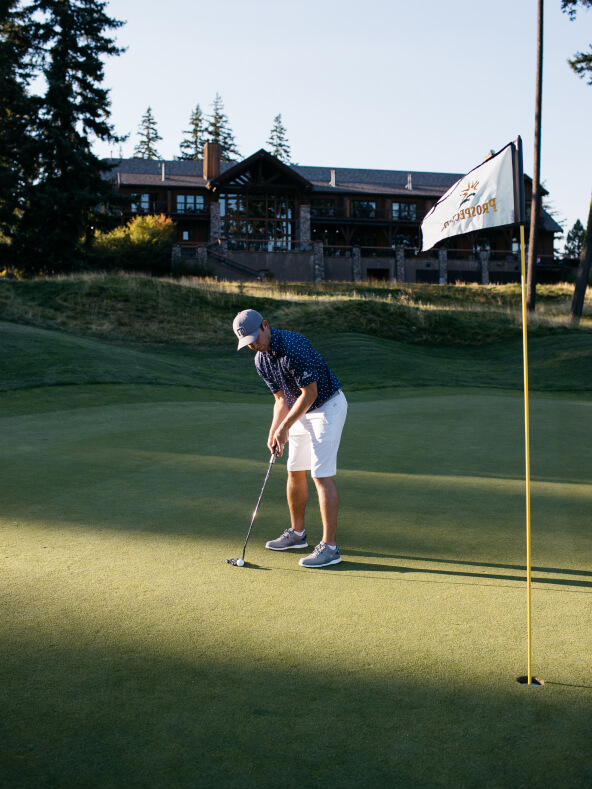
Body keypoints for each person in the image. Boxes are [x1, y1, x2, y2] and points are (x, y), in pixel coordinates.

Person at [233, 308, 348, 569]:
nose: (253, 345)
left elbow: (310, 393)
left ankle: (330, 548)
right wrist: (275, 431)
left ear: (265, 325)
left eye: (254, 338)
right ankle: (297, 535)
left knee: (320, 474)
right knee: (295, 470)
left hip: (326, 406)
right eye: (247, 343)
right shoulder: (260, 358)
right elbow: (281, 399)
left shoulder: (294, 346)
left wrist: (285, 426)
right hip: (299, 410)